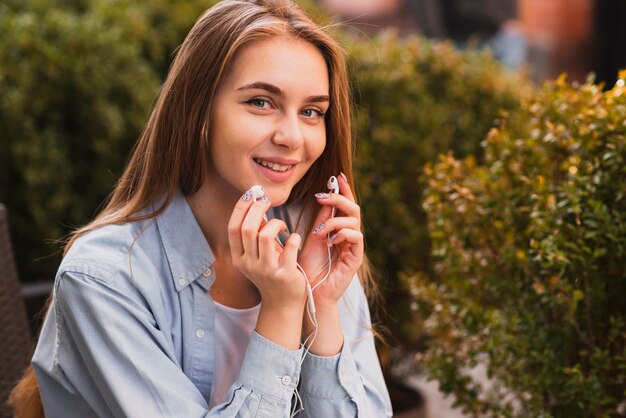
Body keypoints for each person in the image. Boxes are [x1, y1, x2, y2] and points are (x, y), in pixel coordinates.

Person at [8, 0, 393, 416]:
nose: (292, 137)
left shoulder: (317, 247)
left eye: (312, 111)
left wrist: (322, 304)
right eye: (261, 102)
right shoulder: (104, 278)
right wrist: (283, 309)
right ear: (198, 112)